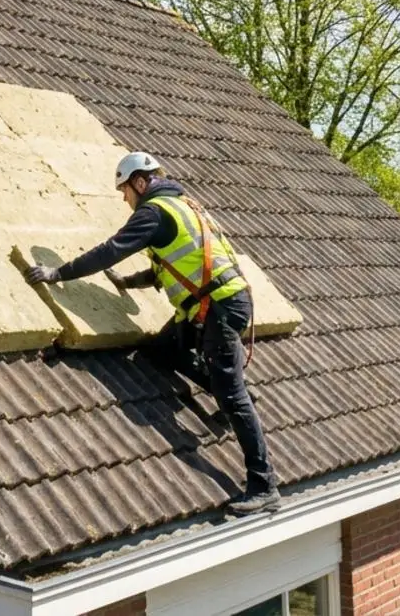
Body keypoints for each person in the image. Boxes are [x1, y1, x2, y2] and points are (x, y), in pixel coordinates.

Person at [24, 151, 280, 516]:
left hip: (217, 310)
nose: (124, 199)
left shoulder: (154, 212)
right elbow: (170, 267)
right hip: (217, 304)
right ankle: (226, 394)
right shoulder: (184, 205)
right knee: (161, 350)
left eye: (125, 190)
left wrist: (58, 274)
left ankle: (263, 483)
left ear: (140, 183)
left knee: (232, 393)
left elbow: (111, 249)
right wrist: (126, 282)